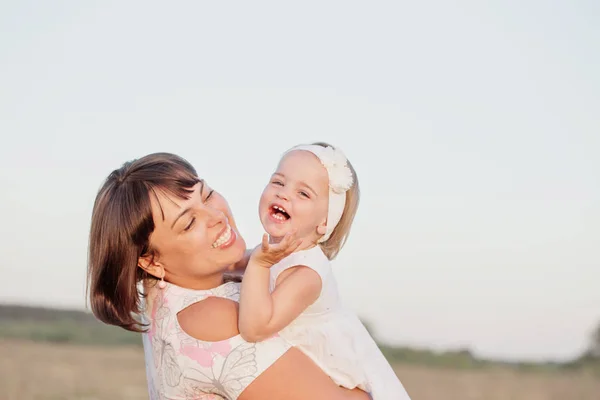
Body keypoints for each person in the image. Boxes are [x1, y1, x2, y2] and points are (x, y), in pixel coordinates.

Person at [86, 152, 370, 400]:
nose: (215, 216)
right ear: (149, 261)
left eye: (207, 195)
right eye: (188, 223)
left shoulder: (166, 296)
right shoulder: (217, 318)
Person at [239, 143, 411, 399]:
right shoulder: (268, 252)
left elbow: (254, 329)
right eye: (278, 182)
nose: (283, 195)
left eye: (303, 194)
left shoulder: (307, 274)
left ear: (324, 222)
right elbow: (225, 269)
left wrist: (258, 266)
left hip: (329, 370)